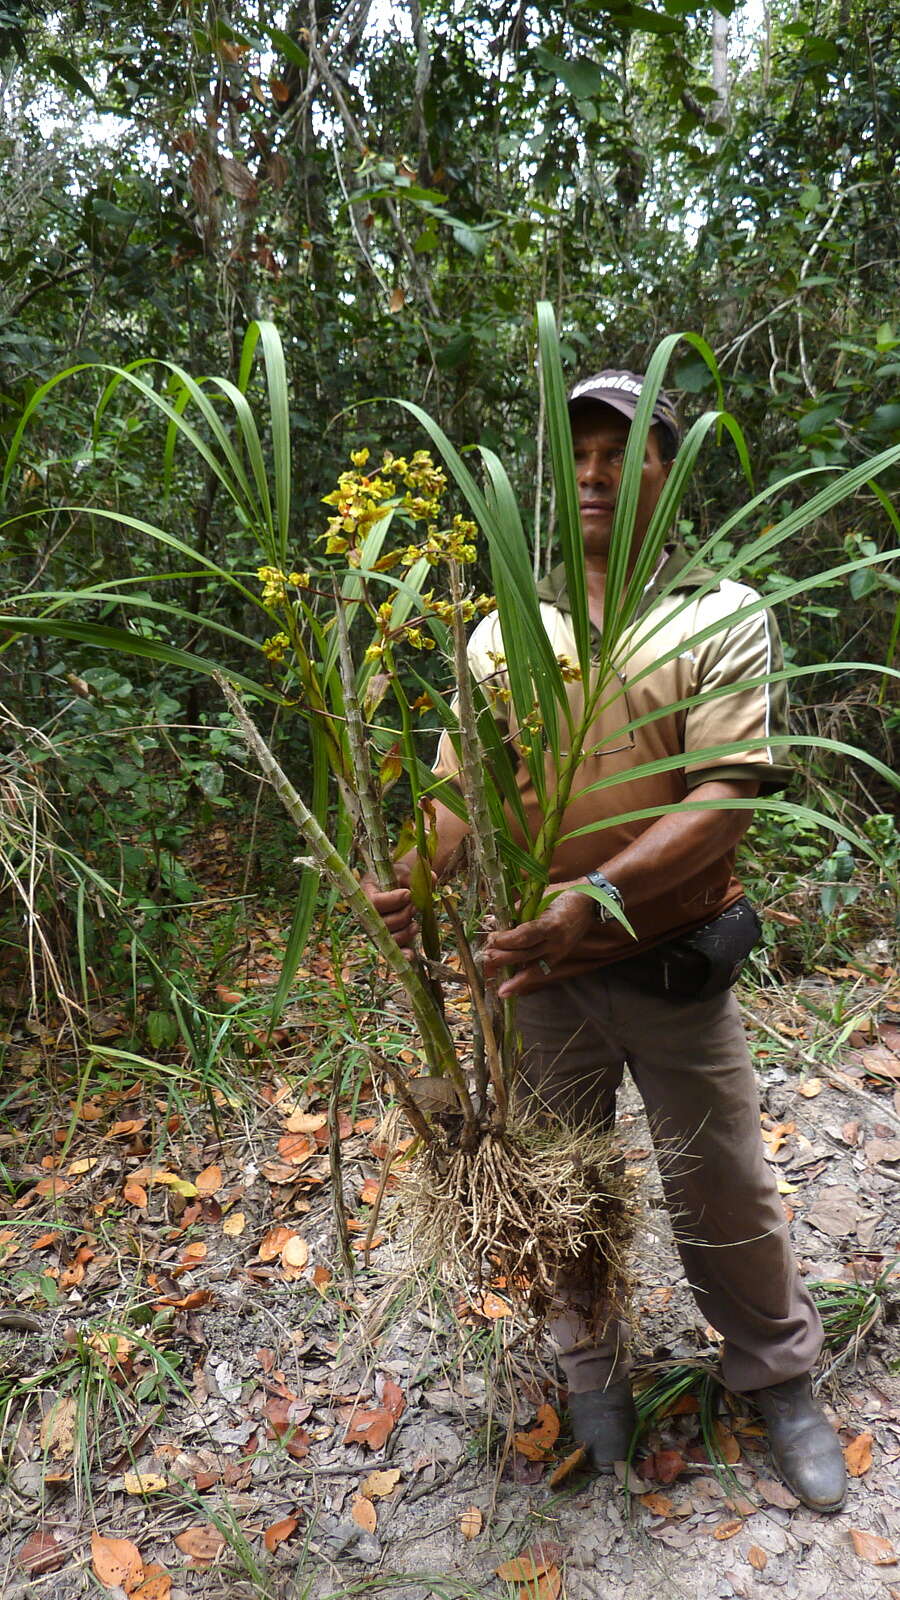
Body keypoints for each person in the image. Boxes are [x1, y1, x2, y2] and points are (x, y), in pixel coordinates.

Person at [362, 371, 847, 1513]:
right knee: (560, 1190)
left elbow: (725, 799)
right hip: (539, 978)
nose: (594, 475)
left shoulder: (718, 614)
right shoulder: (501, 634)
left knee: (723, 1182)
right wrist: (414, 881)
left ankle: (777, 1376)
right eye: (577, 455)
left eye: (623, 454)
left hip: (673, 961)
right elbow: (464, 791)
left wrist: (598, 897)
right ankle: (591, 1371)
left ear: (666, 478)